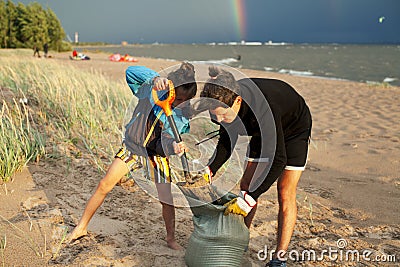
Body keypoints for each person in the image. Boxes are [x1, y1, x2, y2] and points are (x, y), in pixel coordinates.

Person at [66, 62, 198, 250]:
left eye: (184, 100)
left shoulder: (181, 116)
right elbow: (131, 72)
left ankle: (170, 238)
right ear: (169, 87)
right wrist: (155, 79)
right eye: (178, 98)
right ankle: (81, 227)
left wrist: (173, 147)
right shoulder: (149, 92)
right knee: (104, 185)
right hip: (133, 149)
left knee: (166, 199)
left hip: (156, 156)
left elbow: (165, 141)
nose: (178, 103)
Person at [199, 66, 312, 267]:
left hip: (294, 128)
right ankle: (240, 240)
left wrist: (251, 198)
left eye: (222, 116)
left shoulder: (262, 108)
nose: (218, 120)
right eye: (213, 116)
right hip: (262, 130)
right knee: (246, 185)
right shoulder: (223, 103)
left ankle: (279, 258)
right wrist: (210, 168)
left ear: (238, 101)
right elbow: (227, 139)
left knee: (284, 191)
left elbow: (278, 159)